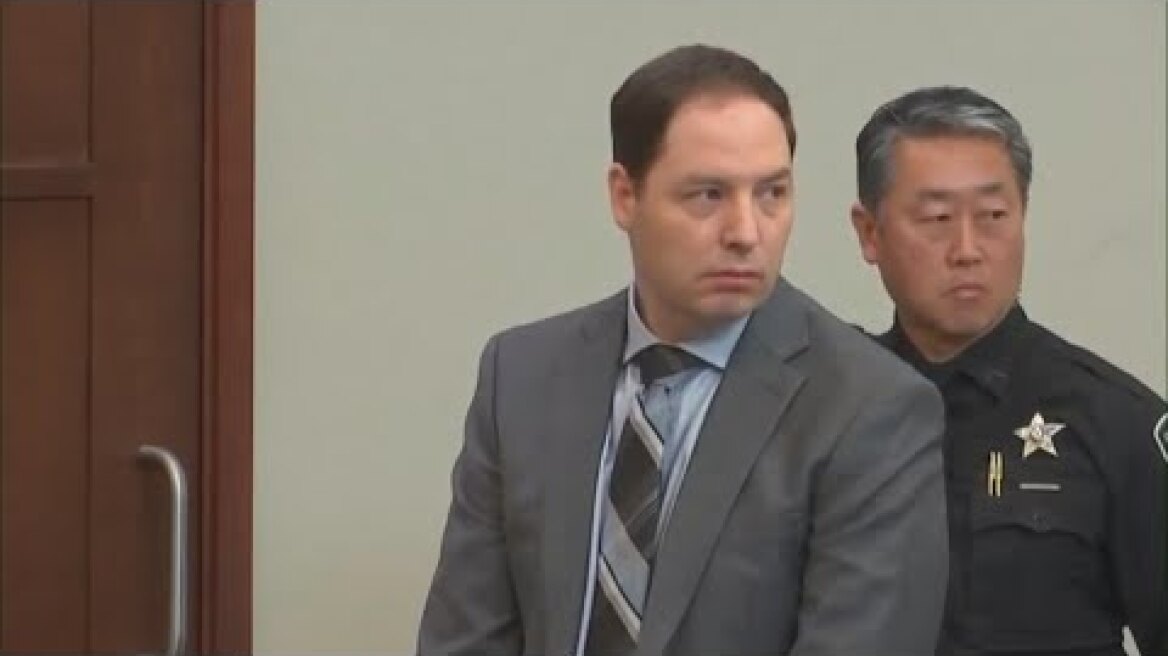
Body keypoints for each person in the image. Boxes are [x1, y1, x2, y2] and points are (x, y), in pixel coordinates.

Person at [417, 44, 949, 656]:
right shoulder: (523, 377)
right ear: (625, 195)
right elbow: (465, 638)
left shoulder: (870, 408)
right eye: (708, 195)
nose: (745, 232)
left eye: (772, 193)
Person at [849, 85, 1168, 656]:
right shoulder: (830, 411)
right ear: (869, 233)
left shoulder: (1117, 421)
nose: (967, 249)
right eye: (937, 218)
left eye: (994, 216)